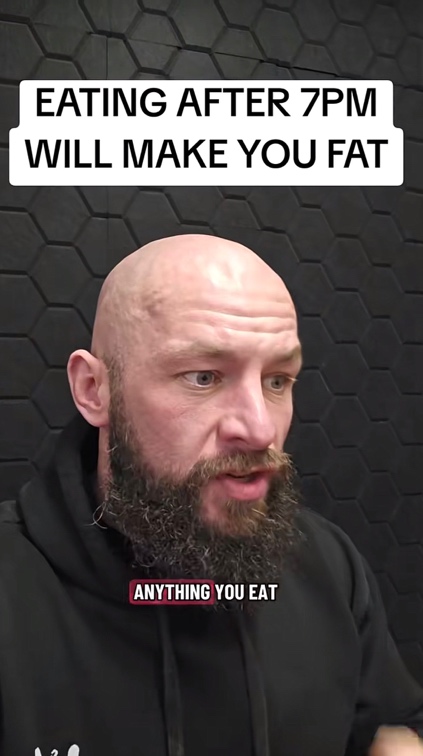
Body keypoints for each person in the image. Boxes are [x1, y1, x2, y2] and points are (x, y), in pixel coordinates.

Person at [0, 233, 422, 756]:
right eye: (204, 377)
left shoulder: (329, 565)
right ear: (93, 390)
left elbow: (389, 727)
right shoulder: (13, 593)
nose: (260, 430)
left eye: (277, 380)